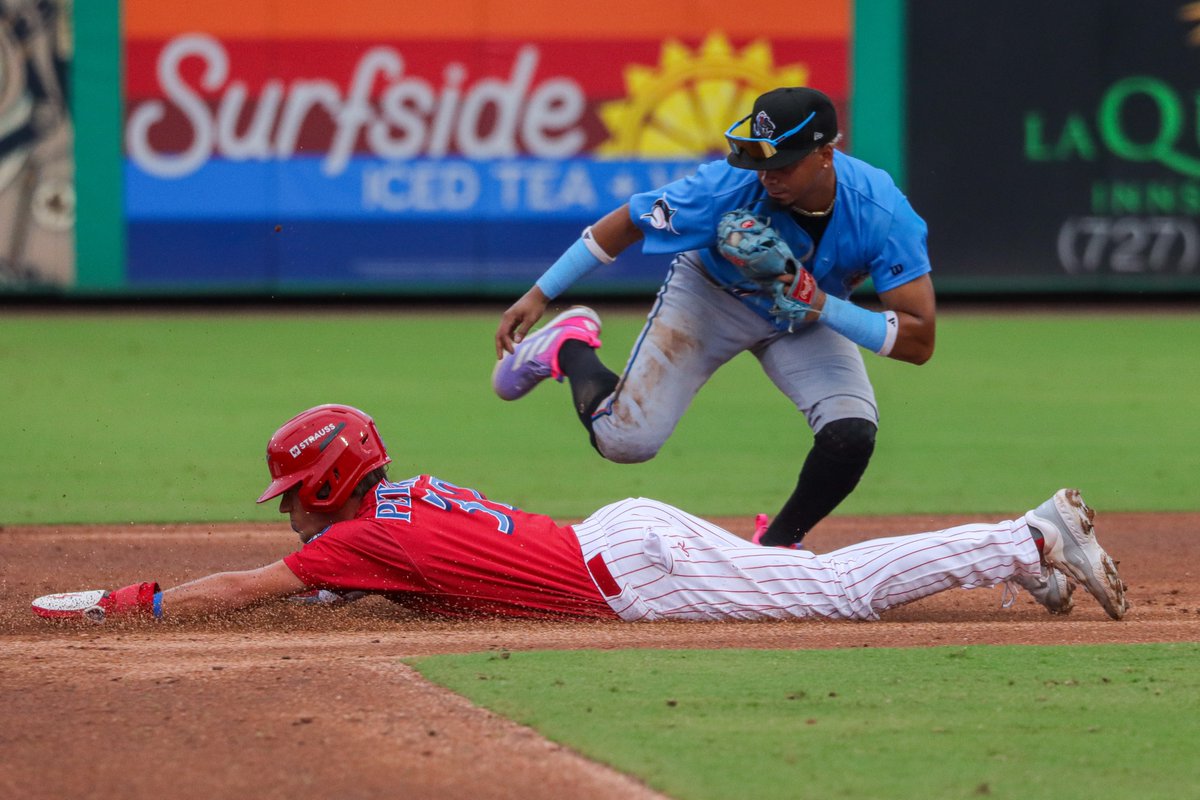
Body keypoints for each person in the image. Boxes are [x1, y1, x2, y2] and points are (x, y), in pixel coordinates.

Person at [32, 404, 1129, 624]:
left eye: (293, 491)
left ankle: (1029, 535)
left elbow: (243, 589)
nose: (290, 514)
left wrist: (129, 599)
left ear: (327, 482)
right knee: (813, 580)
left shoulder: (359, 535)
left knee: (836, 592)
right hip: (623, 539)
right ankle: (1017, 561)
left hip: (632, 570)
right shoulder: (395, 504)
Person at [493, 86, 936, 550]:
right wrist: (541, 293)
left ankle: (777, 546)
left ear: (827, 153)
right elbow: (628, 221)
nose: (768, 179)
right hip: (711, 297)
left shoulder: (882, 212)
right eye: (760, 164)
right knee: (625, 443)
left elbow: (918, 341)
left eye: (783, 165)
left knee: (851, 433)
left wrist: (821, 304)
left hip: (804, 317)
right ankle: (568, 345)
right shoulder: (724, 186)